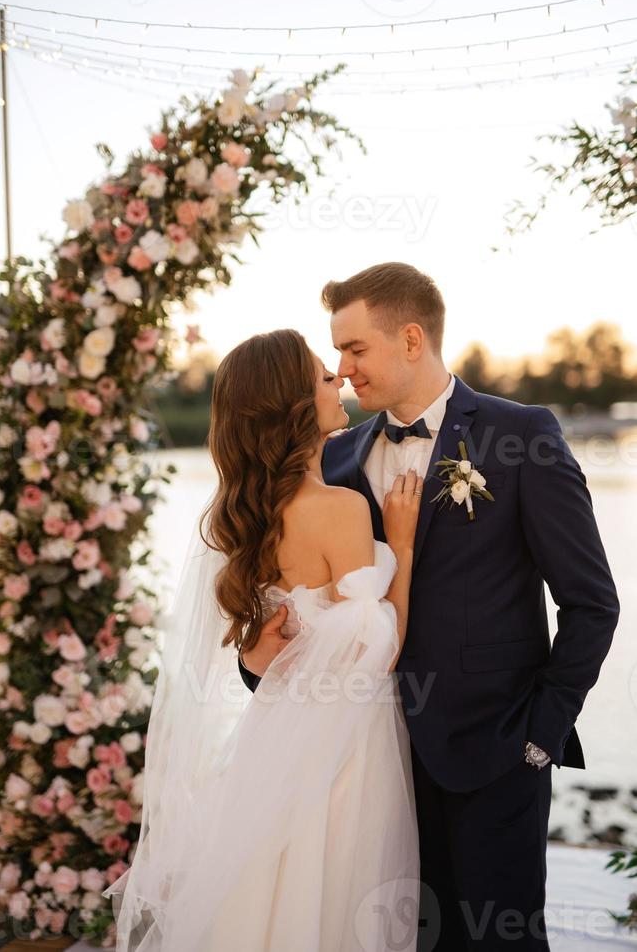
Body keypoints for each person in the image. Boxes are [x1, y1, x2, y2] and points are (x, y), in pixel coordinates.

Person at [239, 262, 621, 950]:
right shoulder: (338, 456)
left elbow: (592, 602)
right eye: (337, 354)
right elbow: (305, 600)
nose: (343, 369)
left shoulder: (523, 435)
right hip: (368, 765)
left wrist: (541, 734)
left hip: (495, 753)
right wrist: (259, 666)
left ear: (411, 339)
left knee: (502, 940)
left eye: (355, 349)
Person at [103, 328, 423, 951]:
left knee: (271, 895)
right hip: (343, 747)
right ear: (295, 406)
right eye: (323, 377)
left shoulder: (249, 512)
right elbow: (377, 655)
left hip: (273, 737)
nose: (339, 378)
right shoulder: (341, 509)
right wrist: (403, 547)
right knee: (334, 894)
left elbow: (276, 641)